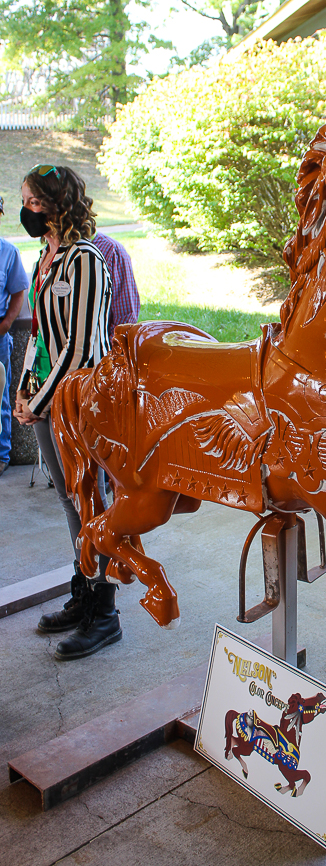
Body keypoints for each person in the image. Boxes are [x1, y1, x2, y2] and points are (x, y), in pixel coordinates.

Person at [14, 164, 120, 661]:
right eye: (24, 202)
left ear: (59, 204)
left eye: (34, 202)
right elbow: (38, 335)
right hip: (49, 401)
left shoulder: (86, 261)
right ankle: (82, 592)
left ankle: (106, 612)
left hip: (82, 402)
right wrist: (22, 390)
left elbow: (78, 348)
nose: (27, 211)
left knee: (92, 501)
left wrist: (37, 403)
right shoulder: (45, 257)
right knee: (67, 500)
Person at [0, 195, 28, 476]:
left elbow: (19, 291)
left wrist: (7, 323)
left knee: (0, 398)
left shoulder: (8, 252)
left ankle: (1, 454)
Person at [93, 231, 140, 341]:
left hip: (97, 352)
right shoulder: (50, 250)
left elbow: (125, 320)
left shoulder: (111, 250)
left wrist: (108, 354)